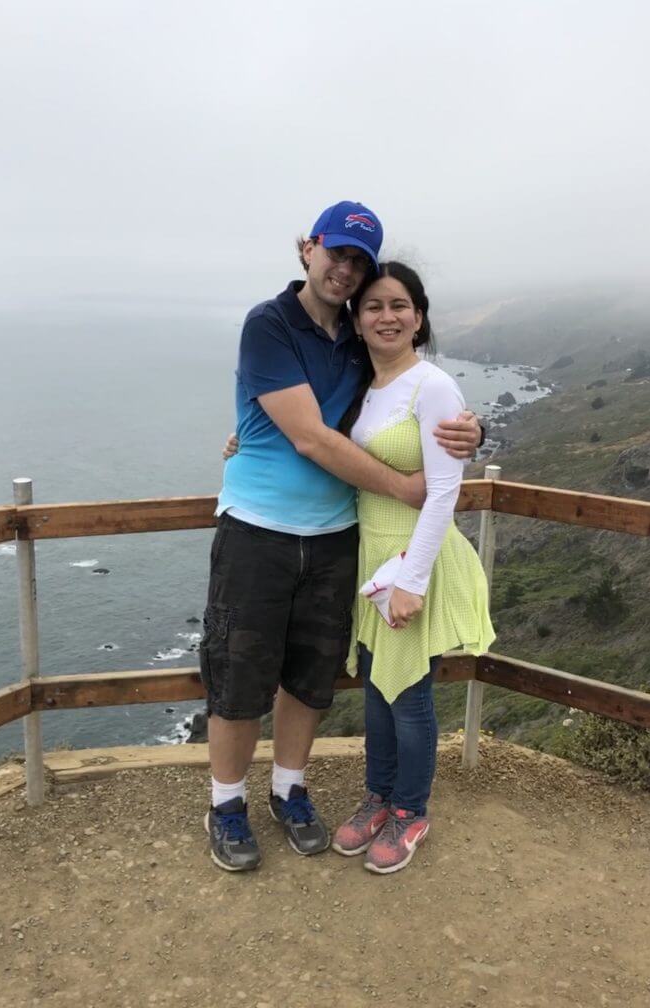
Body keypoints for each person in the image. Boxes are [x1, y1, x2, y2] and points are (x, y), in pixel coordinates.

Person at [201, 201, 482, 872]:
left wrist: (473, 435)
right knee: (240, 678)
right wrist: (404, 486)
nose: (346, 269)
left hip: (337, 541)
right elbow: (308, 434)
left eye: (360, 261)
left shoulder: (358, 343)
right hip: (258, 534)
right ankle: (227, 804)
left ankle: (290, 791)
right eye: (338, 254)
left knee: (310, 679)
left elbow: (410, 399)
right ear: (308, 249)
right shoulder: (269, 325)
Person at [331, 261, 495, 874]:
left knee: (409, 695)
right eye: (373, 306)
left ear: (419, 317)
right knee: (376, 686)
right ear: (357, 319)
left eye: (399, 305)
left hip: (413, 556)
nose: (387, 316)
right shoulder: (361, 388)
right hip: (373, 555)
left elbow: (444, 490)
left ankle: (410, 810)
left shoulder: (434, 386)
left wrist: (412, 580)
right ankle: (379, 795)